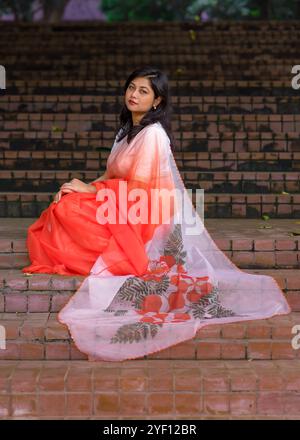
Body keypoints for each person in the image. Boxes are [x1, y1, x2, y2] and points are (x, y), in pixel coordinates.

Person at [22, 66, 291, 362]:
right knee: (66, 202)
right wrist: (85, 186)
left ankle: (108, 258)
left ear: (157, 101)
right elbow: (112, 173)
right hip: (122, 201)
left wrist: (91, 193)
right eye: (131, 88)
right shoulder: (127, 131)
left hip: (145, 211)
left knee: (72, 208)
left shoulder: (153, 135)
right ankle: (99, 252)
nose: (133, 95)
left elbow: (140, 188)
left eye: (143, 91)